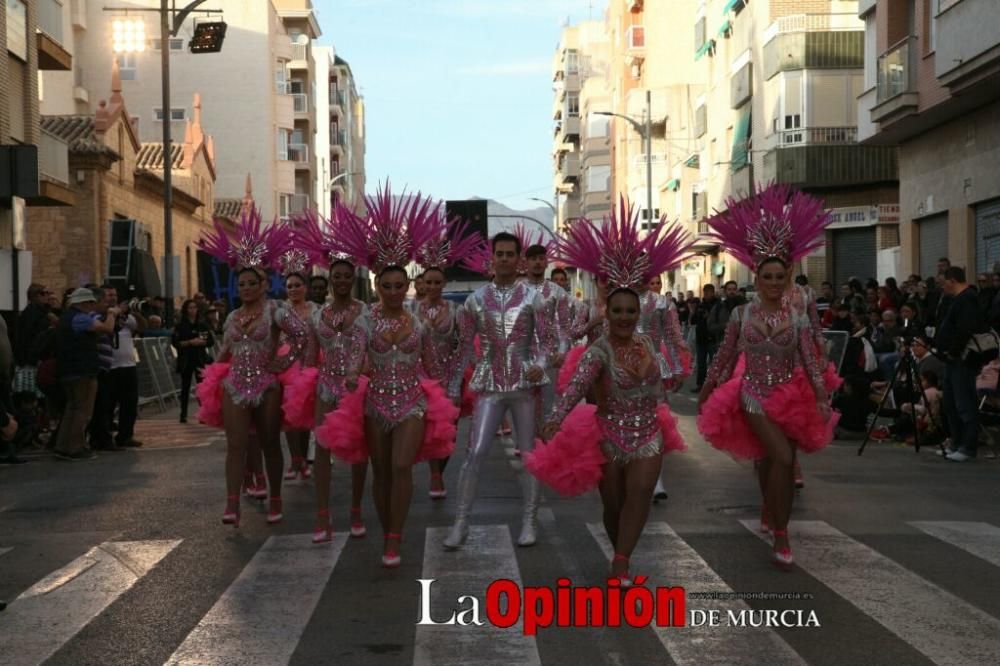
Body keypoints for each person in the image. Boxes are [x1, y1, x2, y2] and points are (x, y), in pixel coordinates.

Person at [533, 201, 690, 584]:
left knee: (639, 495)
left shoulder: (649, 348)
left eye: (630, 312)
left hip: (648, 432)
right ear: (609, 312)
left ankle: (621, 560)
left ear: (638, 314)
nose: (623, 317)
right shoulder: (598, 350)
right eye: (617, 311)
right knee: (613, 504)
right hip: (608, 434)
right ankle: (619, 544)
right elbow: (576, 387)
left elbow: (665, 378)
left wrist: (675, 369)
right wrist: (555, 417)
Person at [315, 189, 459, 565]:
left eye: (400, 285)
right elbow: (356, 356)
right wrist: (349, 376)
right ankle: (386, 531)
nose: (394, 291)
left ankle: (396, 534)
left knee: (400, 466)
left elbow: (433, 365)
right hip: (374, 402)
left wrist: (449, 390)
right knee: (380, 472)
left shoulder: (420, 323)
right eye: (387, 286)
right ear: (378, 286)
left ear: (407, 286)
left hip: (412, 403)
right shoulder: (365, 320)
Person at [697, 184, 838, 568]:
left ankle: (775, 517)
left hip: (790, 393)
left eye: (780, 276)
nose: (774, 282)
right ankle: (781, 532)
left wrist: (821, 394)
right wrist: (709, 387)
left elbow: (808, 358)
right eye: (767, 277)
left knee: (776, 458)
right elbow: (726, 355)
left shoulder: (796, 315)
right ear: (757, 279)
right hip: (752, 393)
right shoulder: (742, 315)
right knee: (777, 456)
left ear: (787, 276)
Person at [197, 208, 309, 526]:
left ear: (263, 285)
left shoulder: (276, 310)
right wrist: (209, 379)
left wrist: (285, 361)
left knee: (271, 442)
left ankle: (275, 496)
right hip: (235, 384)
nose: (245, 288)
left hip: (268, 384)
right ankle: (232, 503)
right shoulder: (232, 317)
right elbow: (224, 351)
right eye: (241, 283)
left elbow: (302, 335)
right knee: (236, 444)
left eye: (251, 283)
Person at [443, 231, 550, 550]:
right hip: (489, 384)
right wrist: (452, 387)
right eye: (499, 253)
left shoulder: (534, 298)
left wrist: (540, 365)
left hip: (524, 384)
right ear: (492, 258)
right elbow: (461, 346)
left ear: (519, 259)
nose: (504, 258)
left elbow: (548, 341)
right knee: (474, 452)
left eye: (509, 254)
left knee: (529, 453)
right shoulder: (475, 300)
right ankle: (460, 523)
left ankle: (529, 521)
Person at [413, 221, 483, 499]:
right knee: (429, 426)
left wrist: (464, 375)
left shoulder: (456, 311)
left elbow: (466, 344)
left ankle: (440, 469)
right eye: (428, 282)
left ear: (444, 283)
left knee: (449, 432)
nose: (432, 286)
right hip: (419, 377)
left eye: (437, 282)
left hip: (450, 376)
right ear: (421, 283)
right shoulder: (410, 309)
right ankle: (434, 475)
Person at [54, 288, 118, 461]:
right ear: (83, 303)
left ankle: (62, 446)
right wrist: (112, 313)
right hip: (82, 370)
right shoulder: (80, 318)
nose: (93, 305)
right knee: (83, 411)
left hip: (68, 369)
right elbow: (106, 328)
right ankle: (75, 448)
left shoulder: (66, 317)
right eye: (90, 302)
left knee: (72, 409)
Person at [935, 266, 988, 462]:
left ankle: (968, 447)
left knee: (964, 402)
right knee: (950, 403)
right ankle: (956, 443)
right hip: (952, 360)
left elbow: (965, 329)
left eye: (944, 283)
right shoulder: (956, 299)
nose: (942, 287)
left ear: (952, 280)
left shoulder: (967, 298)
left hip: (962, 360)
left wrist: (953, 351)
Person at [278, 259, 319, 481]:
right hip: (288, 369)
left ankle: (303, 459)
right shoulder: (280, 310)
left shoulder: (316, 310)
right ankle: (295, 460)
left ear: (306, 287)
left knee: (306, 419)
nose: (293, 289)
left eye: (297, 285)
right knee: (290, 417)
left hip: (311, 367)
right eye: (290, 286)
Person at [172, 299, 214, 423]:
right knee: (185, 387)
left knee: (202, 387)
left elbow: (210, 341)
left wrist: (202, 342)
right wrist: (189, 342)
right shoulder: (180, 326)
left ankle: (203, 413)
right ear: (186, 310)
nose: (193, 310)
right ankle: (183, 413)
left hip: (200, 359)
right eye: (190, 308)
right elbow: (175, 342)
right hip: (186, 360)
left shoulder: (202, 325)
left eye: (194, 307)